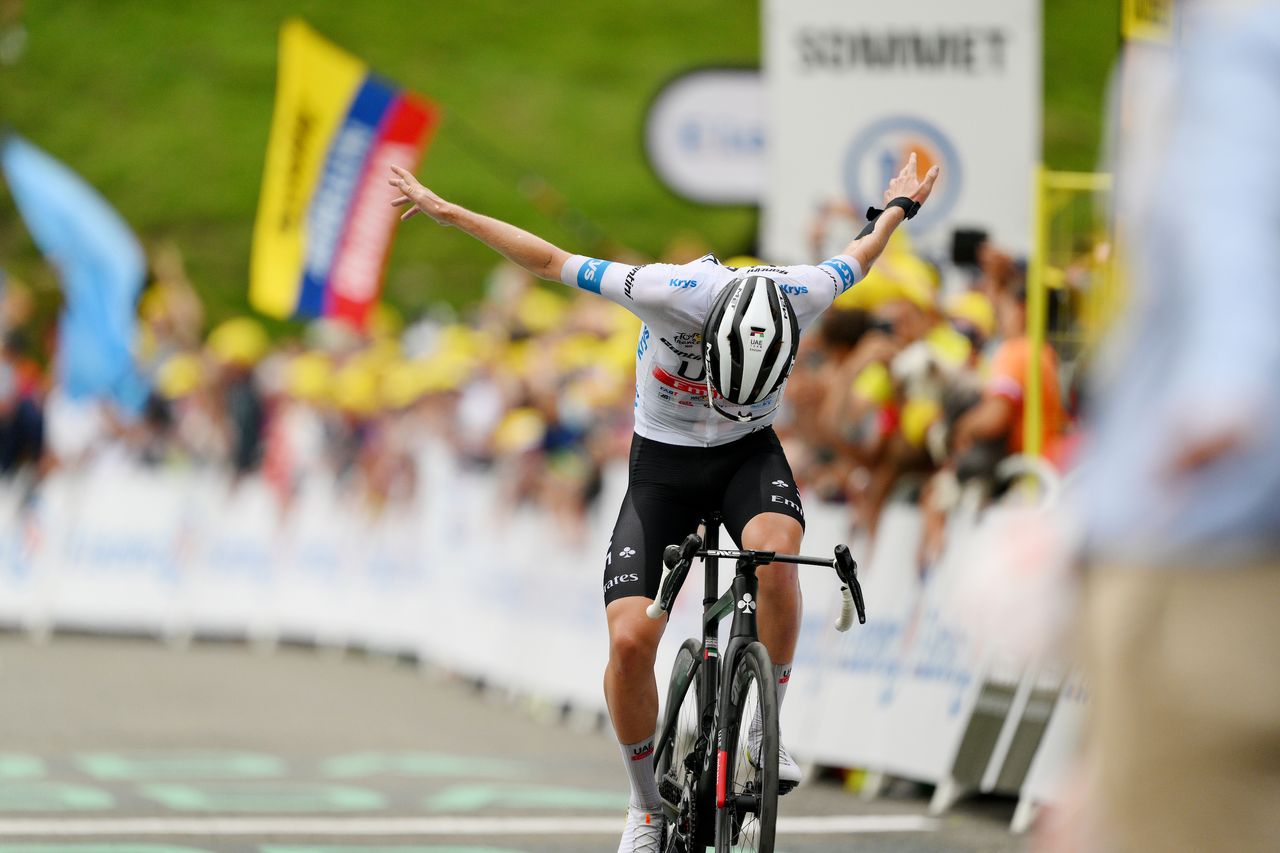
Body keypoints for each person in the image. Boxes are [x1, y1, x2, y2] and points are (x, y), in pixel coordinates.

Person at [389, 155, 939, 852]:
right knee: (628, 641)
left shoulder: (803, 291)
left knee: (776, 561)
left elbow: (862, 253)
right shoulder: (663, 289)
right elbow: (550, 257)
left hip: (748, 451)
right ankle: (645, 803)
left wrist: (896, 208)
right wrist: (450, 212)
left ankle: (764, 732)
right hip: (665, 464)